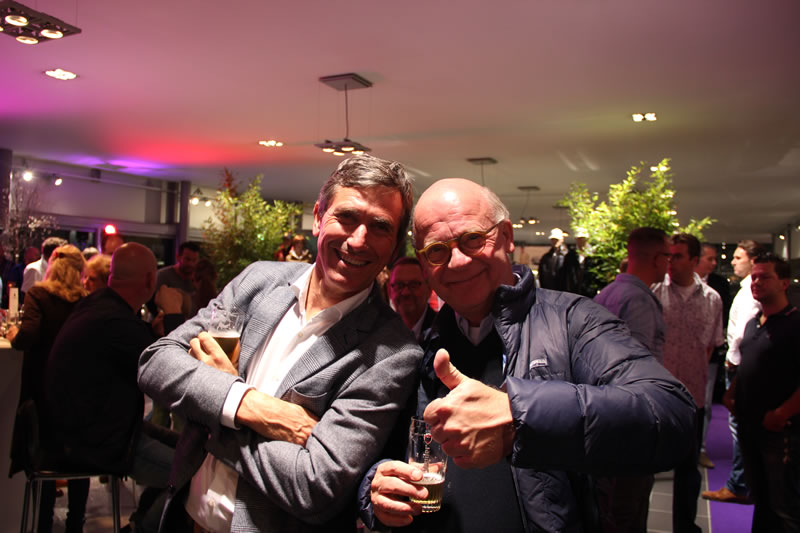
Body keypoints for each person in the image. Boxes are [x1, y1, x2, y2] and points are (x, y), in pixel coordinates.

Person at [363, 179, 696, 533]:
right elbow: (383, 452)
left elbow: (671, 416)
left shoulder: (572, 321)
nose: (457, 261)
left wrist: (518, 417)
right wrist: (375, 488)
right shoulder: (420, 346)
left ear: (506, 236)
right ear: (424, 262)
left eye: (473, 239)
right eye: (437, 250)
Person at [138, 154, 424, 533]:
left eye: (380, 226)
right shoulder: (259, 281)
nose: (358, 240)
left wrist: (213, 408)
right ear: (318, 217)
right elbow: (157, 361)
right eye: (347, 217)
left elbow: (314, 486)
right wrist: (253, 406)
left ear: (395, 245)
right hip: (185, 518)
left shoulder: (392, 353)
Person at [43, 243, 184, 533]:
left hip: (89, 428)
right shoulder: (115, 319)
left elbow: (130, 348)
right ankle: (140, 529)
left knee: (190, 447)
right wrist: (173, 314)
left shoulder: (99, 306)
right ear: (150, 280)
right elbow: (173, 373)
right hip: (97, 440)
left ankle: (141, 521)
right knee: (193, 476)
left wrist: (152, 332)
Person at [7, 244, 88, 533]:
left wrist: (13, 333)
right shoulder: (87, 300)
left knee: (44, 459)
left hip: (42, 392)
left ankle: (43, 524)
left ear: (52, 265)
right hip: (78, 393)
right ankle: (75, 523)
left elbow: (27, 336)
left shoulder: (40, 294)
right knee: (78, 461)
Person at [593, 227, 669, 532]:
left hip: (608, 422)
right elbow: (635, 373)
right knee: (627, 511)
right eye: (667, 257)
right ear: (657, 258)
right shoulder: (637, 300)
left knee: (613, 508)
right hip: (630, 427)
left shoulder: (609, 293)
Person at [651, 233, 723, 533]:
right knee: (645, 463)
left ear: (694, 260)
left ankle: (685, 526)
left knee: (687, 468)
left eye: (678, 256)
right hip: (657, 395)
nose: (671, 262)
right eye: (669, 255)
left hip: (692, 395)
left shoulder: (712, 299)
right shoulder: (654, 293)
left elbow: (711, 345)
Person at [727, 254, 800, 531]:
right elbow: (749, 362)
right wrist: (732, 392)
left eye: (764, 277)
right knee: (761, 499)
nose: (756, 282)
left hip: (780, 431)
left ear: (784, 283)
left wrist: (782, 413)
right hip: (751, 425)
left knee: (784, 507)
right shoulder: (754, 323)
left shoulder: (795, 323)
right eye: (754, 277)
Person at [703, 239, 764, 505]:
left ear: (753, 260)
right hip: (740, 362)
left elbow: (742, 332)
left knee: (739, 425)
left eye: (739, 258)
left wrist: (733, 360)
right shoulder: (745, 288)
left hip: (739, 364)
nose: (733, 262)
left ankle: (739, 484)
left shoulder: (750, 290)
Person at [695, 243, 732, 469]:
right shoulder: (666, 287)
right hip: (677, 356)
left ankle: (699, 448)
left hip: (708, 355)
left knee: (705, 403)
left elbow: (722, 319)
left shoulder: (718, 286)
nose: (714, 263)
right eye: (709, 258)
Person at [387, 257, 436, 342]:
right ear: (389, 291)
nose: (405, 292)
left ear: (429, 289)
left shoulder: (444, 330)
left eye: (414, 285)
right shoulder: (382, 331)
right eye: (399, 285)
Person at [538, 227, 580, 292]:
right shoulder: (546, 257)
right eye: (553, 239)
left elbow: (572, 276)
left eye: (556, 239)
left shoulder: (568, 256)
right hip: (549, 291)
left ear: (562, 240)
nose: (554, 241)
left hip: (564, 291)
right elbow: (542, 274)